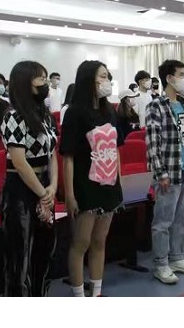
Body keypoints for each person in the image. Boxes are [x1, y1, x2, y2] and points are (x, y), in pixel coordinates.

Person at [60, 60, 123, 297]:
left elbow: (115, 149)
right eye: (102, 76)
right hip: (85, 186)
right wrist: (69, 195)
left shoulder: (110, 111)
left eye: (108, 76)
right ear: (89, 80)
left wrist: (119, 182)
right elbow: (68, 157)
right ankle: (79, 295)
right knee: (81, 243)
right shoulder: (75, 113)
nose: (107, 81)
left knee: (99, 241)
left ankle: (96, 292)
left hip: (109, 184)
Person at [0, 61, 58, 296]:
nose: (45, 83)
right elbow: (19, 161)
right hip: (21, 190)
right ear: (25, 83)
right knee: (19, 258)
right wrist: (43, 194)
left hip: (45, 185)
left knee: (44, 253)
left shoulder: (45, 116)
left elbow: (53, 154)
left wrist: (52, 187)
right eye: (40, 79)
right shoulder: (13, 116)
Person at [146, 59, 184, 284]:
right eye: (181, 75)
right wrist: (161, 173)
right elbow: (152, 143)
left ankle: (177, 257)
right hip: (168, 171)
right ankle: (161, 263)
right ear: (169, 78)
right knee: (163, 221)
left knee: (181, 219)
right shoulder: (156, 106)